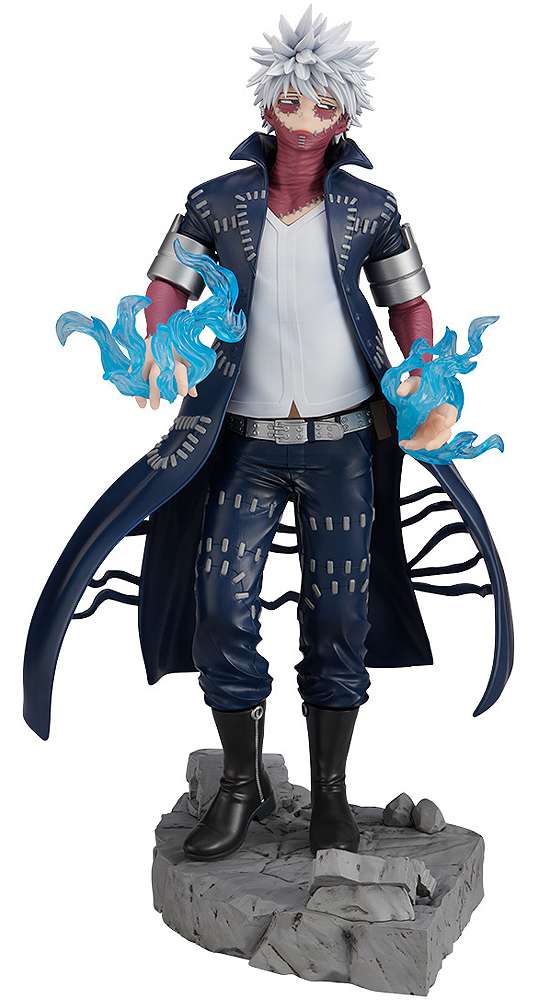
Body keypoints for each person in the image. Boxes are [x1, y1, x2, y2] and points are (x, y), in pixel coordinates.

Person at [23, 8, 513, 862]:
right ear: (266, 107)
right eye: (291, 98)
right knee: (220, 606)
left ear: (345, 115)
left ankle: (331, 796)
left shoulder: (372, 206)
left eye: (323, 101)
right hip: (240, 442)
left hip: (345, 443)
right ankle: (241, 787)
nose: (305, 113)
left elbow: (410, 305)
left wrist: (425, 376)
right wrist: (162, 348)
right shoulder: (215, 202)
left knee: (341, 615)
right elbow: (165, 286)